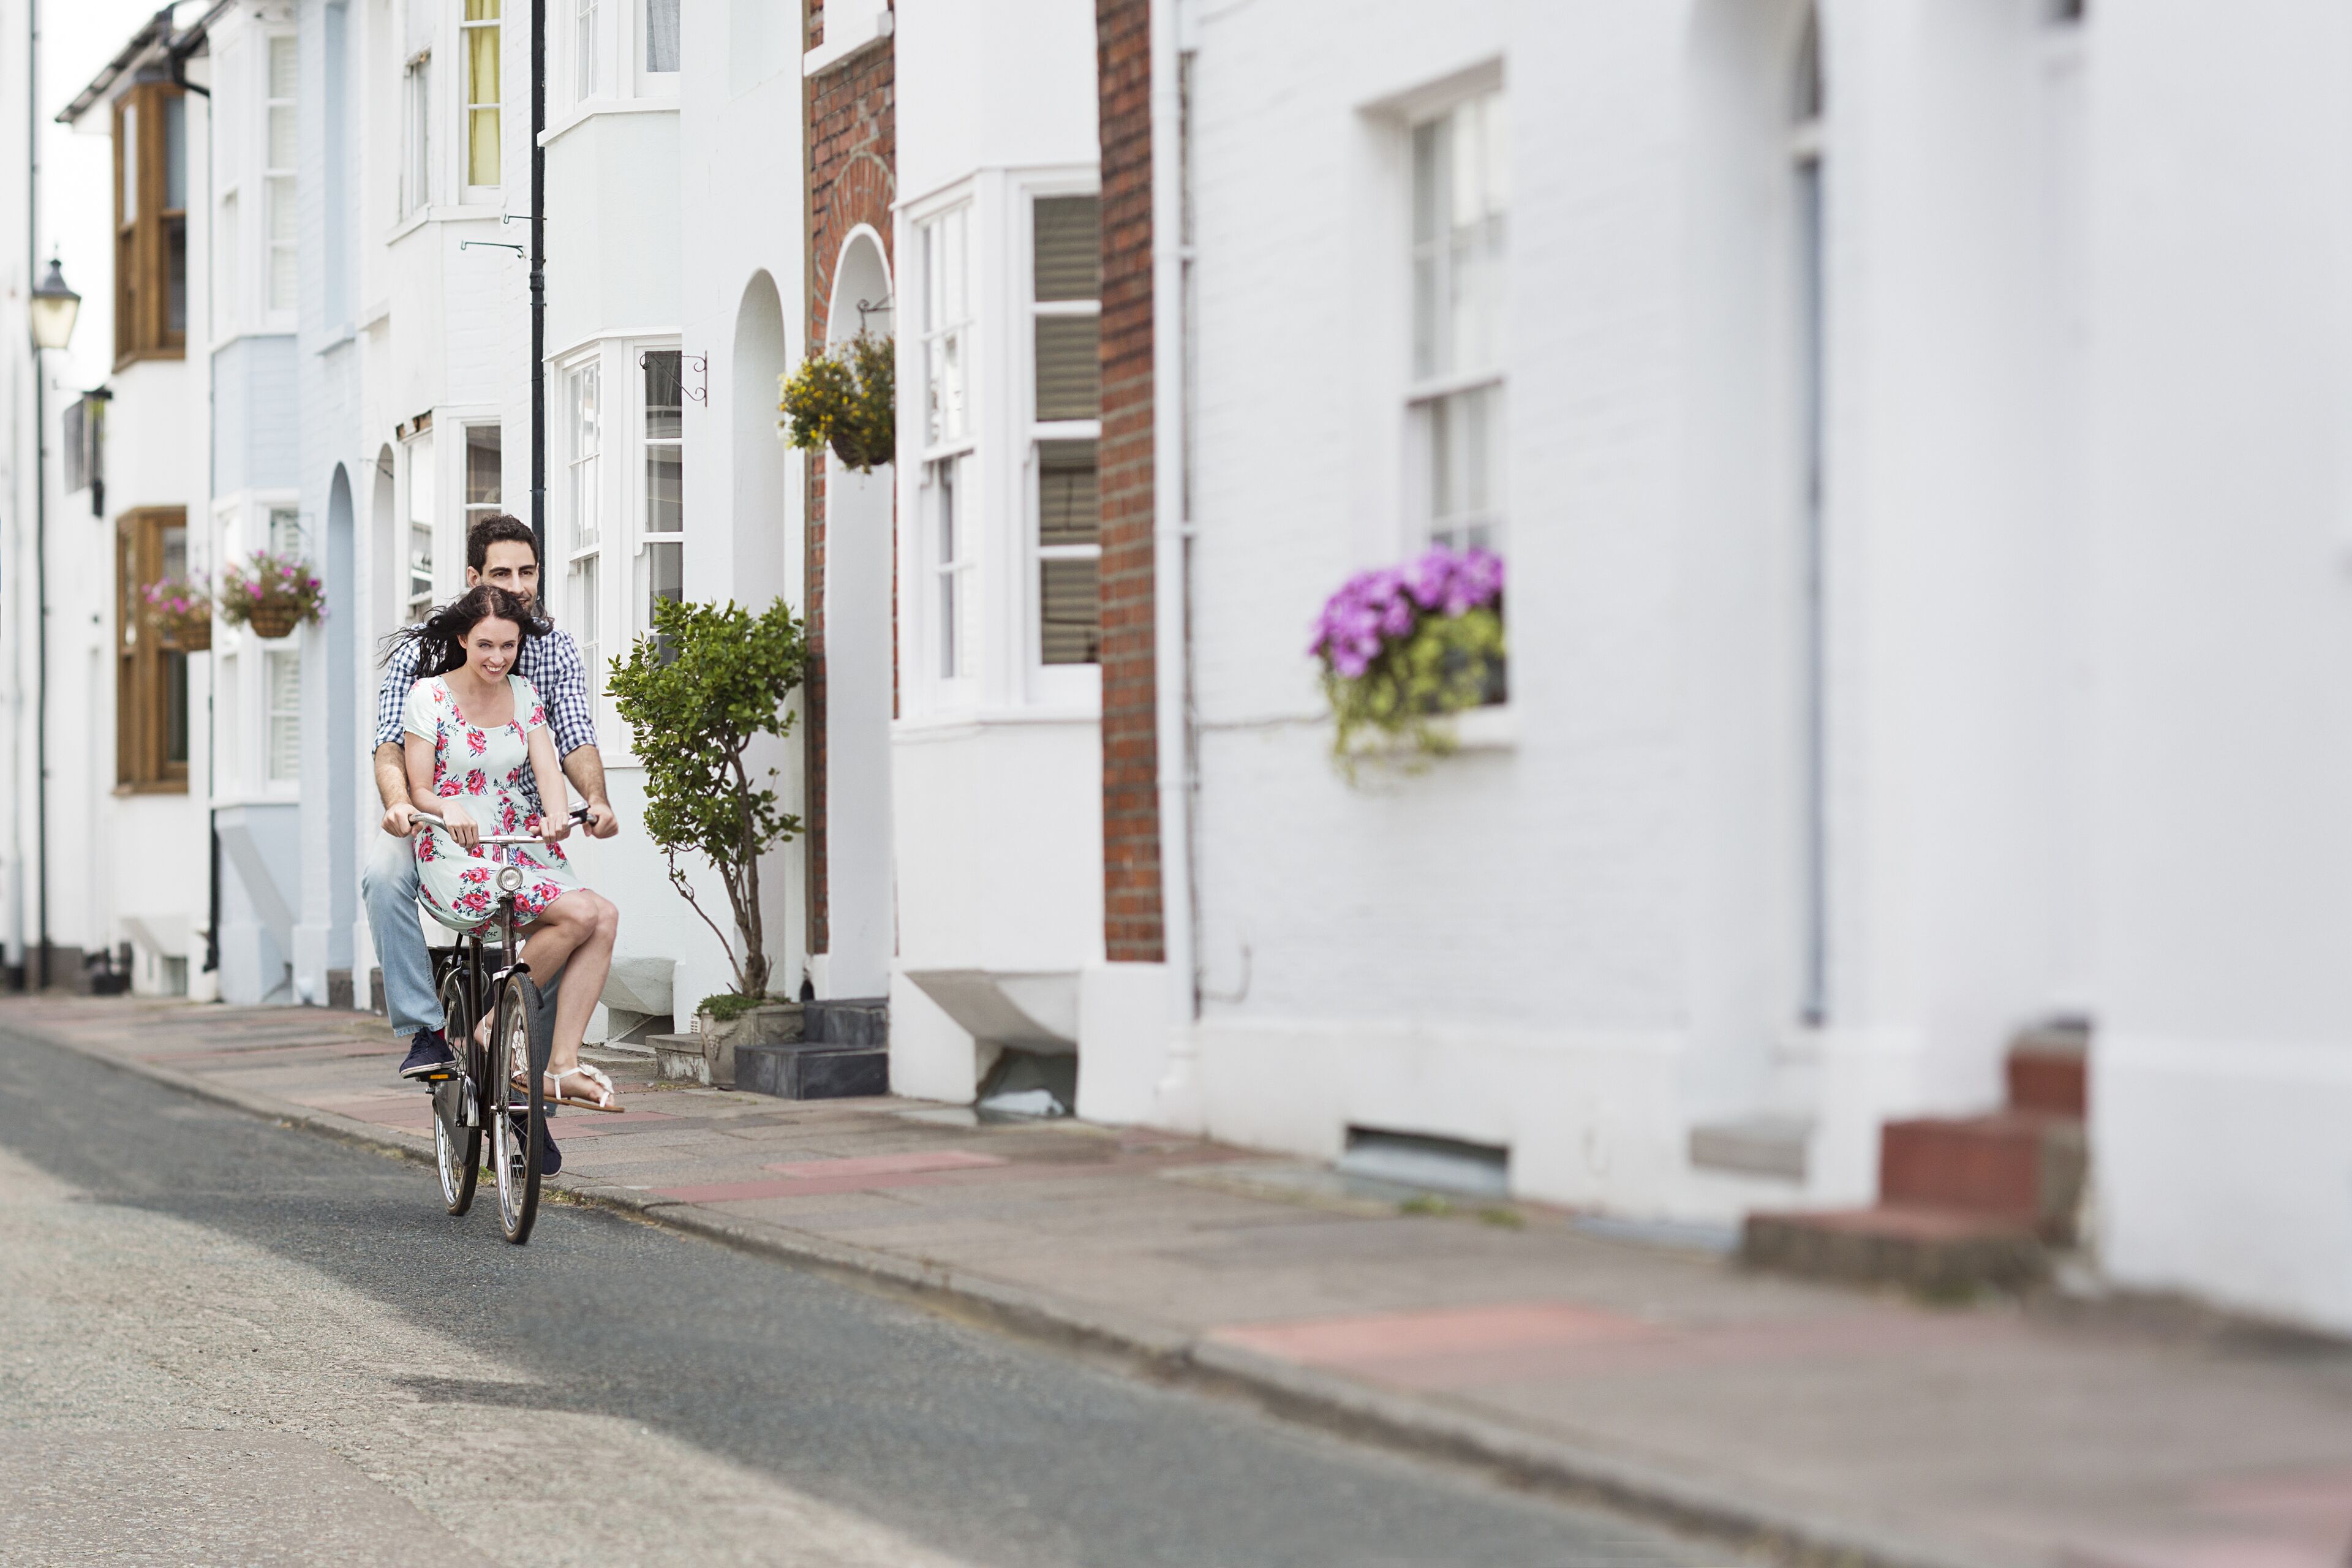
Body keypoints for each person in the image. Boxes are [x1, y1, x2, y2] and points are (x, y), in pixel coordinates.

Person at [364, 514, 617, 1084]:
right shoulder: (425, 661)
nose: (518, 585)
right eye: (502, 573)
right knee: (382, 878)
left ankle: (535, 1101)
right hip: (435, 816)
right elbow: (389, 751)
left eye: (528, 572)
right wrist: (407, 807)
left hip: (523, 825)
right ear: (475, 577)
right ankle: (425, 1030)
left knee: (579, 925)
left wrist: (593, 801)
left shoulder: (551, 654)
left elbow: (570, 737)